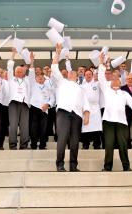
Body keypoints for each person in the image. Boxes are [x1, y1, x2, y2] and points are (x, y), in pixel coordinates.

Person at [98, 53, 132, 171]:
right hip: (108, 121)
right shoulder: (106, 90)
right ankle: (107, 167)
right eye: (113, 79)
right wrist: (101, 63)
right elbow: (101, 78)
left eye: (117, 79)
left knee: (123, 145)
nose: (114, 80)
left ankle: (126, 167)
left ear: (120, 83)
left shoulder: (124, 93)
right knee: (108, 145)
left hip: (122, 122)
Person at [51, 43, 90, 172]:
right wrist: (57, 53)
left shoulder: (81, 88)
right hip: (63, 112)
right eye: (70, 72)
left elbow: (86, 103)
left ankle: (73, 165)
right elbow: (54, 67)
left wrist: (87, 115)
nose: (72, 73)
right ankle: (60, 164)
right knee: (62, 138)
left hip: (77, 115)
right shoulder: (62, 82)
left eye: (74, 72)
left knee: (74, 141)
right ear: (67, 75)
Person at [7, 48, 31, 150]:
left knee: (24, 126)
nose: (19, 72)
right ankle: (12, 145)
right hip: (14, 103)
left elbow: (32, 72)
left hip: (25, 104)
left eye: (21, 71)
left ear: (24, 73)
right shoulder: (11, 79)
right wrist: (13, 54)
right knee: (13, 125)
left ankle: (24, 145)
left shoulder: (27, 81)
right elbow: (9, 66)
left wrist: (31, 62)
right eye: (17, 71)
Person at [29, 61, 55, 150]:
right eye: (38, 77)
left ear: (44, 79)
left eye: (42, 77)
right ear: (35, 79)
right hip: (34, 108)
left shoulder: (48, 88)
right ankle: (33, 145)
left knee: (43, 128)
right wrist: (32, 63)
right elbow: (31, 74)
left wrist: (48, 104)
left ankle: (42, 145)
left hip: (44, 110)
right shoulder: (32, 85)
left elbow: (52, 99)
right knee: (33, 128)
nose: (40, 78)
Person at [80, 69, 102, 150]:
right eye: (87, 74)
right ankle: (85, 144)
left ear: (92, 75)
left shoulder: (97, 84)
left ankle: (97, 144)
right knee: (86, 127)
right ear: (84, 76)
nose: (88, 75)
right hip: (85, 108)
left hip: (96, 108)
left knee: (96, 127)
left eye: (90, 74)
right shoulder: (81, 86)